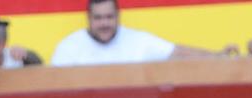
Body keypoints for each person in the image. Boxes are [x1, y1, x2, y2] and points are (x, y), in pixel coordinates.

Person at [51, 0, 236, 65]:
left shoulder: (137, 40)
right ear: (88, 19)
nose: (104, 23)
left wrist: (218, 56)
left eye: (109, 17)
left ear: (118, 16)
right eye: (98, 18)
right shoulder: (69, 47)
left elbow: (177, 52)